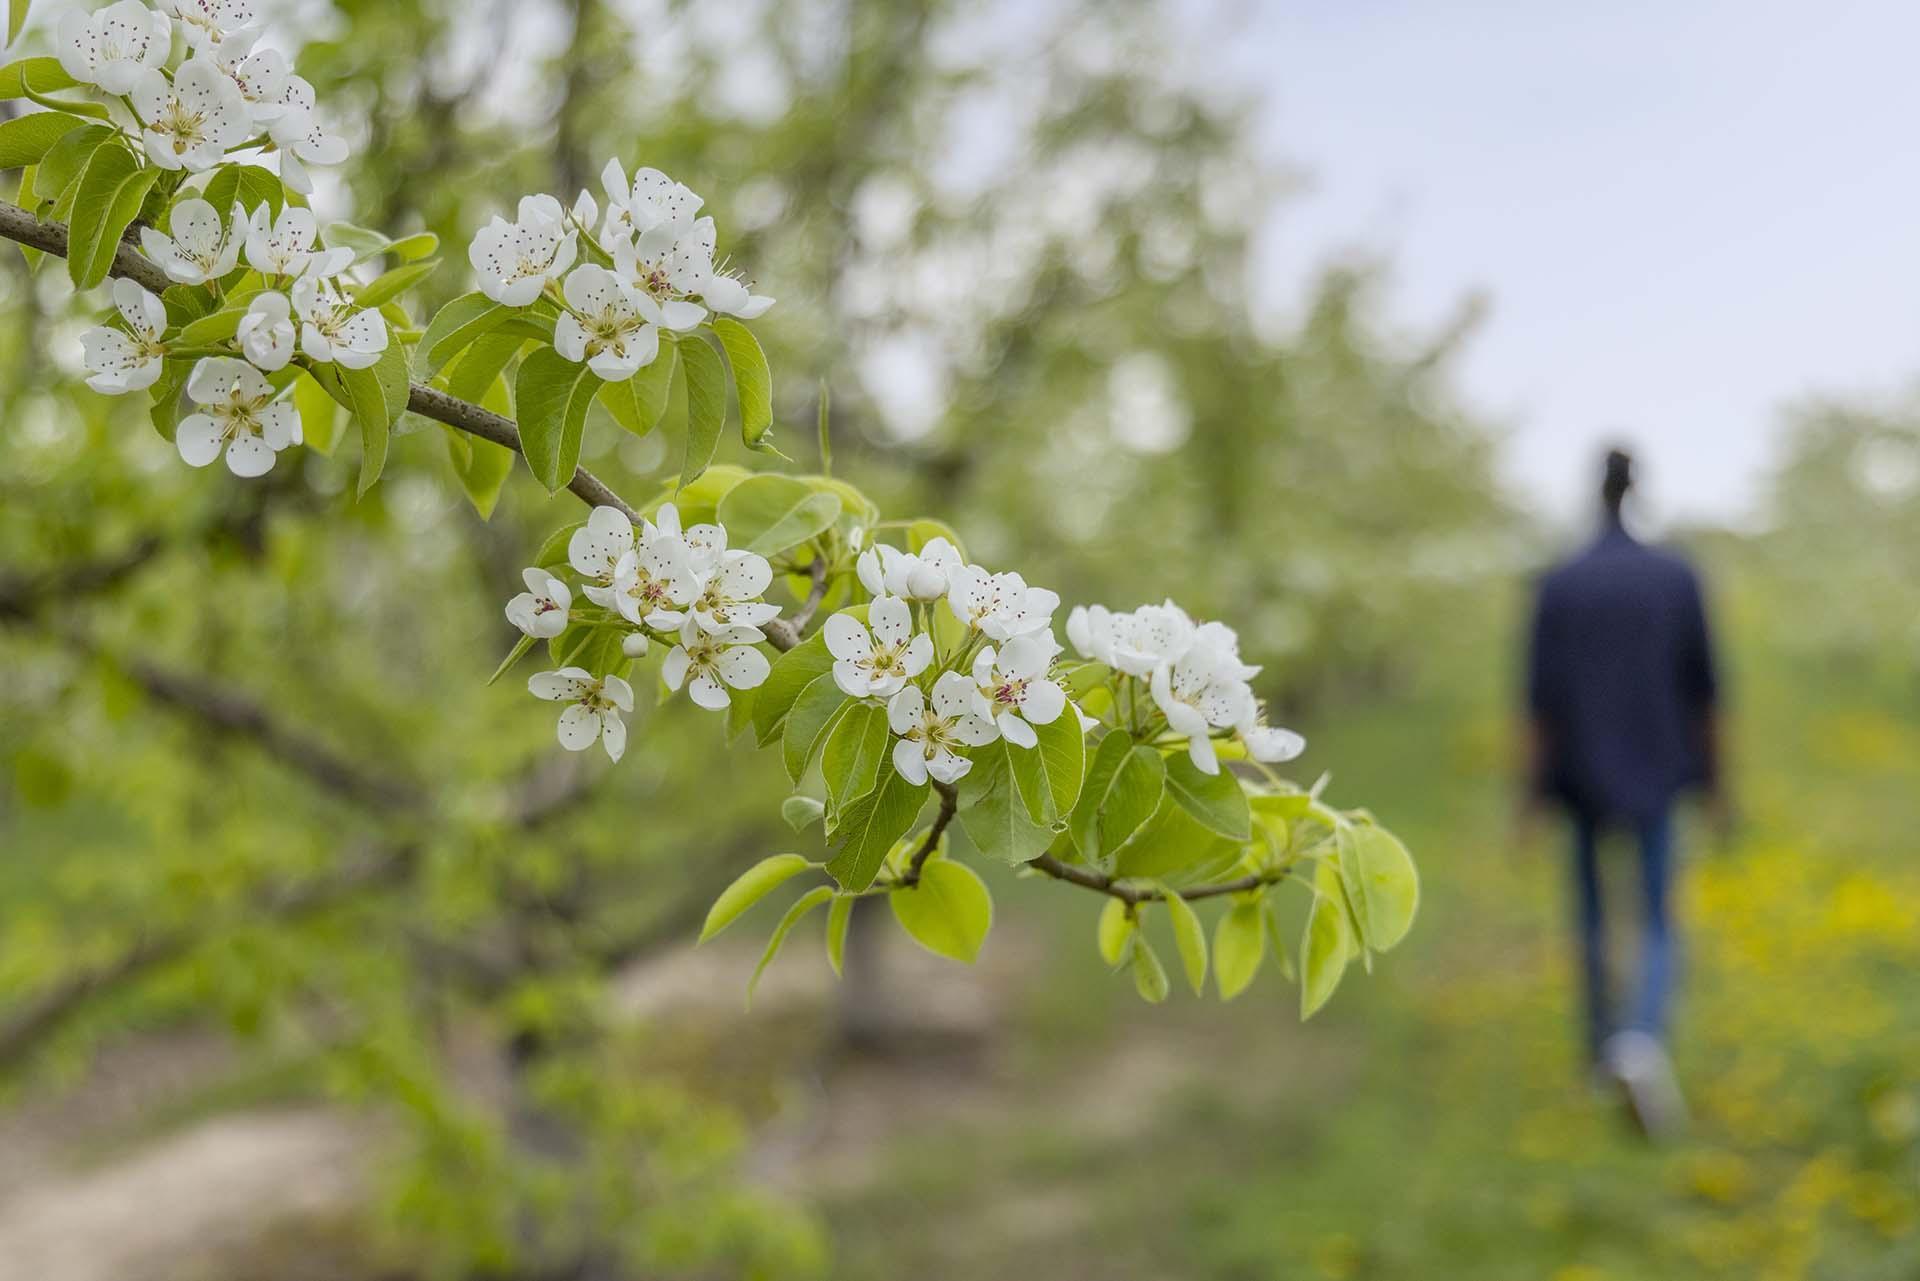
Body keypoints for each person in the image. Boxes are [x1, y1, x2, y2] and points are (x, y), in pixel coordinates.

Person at [1522, 447, 1725, 1138]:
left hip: (1579, 770)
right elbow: (1706, 689)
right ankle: (1640, 1036)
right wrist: (1719, 784)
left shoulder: (1560, 581)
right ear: (1638, 489)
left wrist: (1527, 795)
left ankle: (1600, 1054)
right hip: (1659, 766)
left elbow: (1538, 699)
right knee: (1658, 915)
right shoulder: (1675, 575)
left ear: (1594, 491)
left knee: (1591, 915)